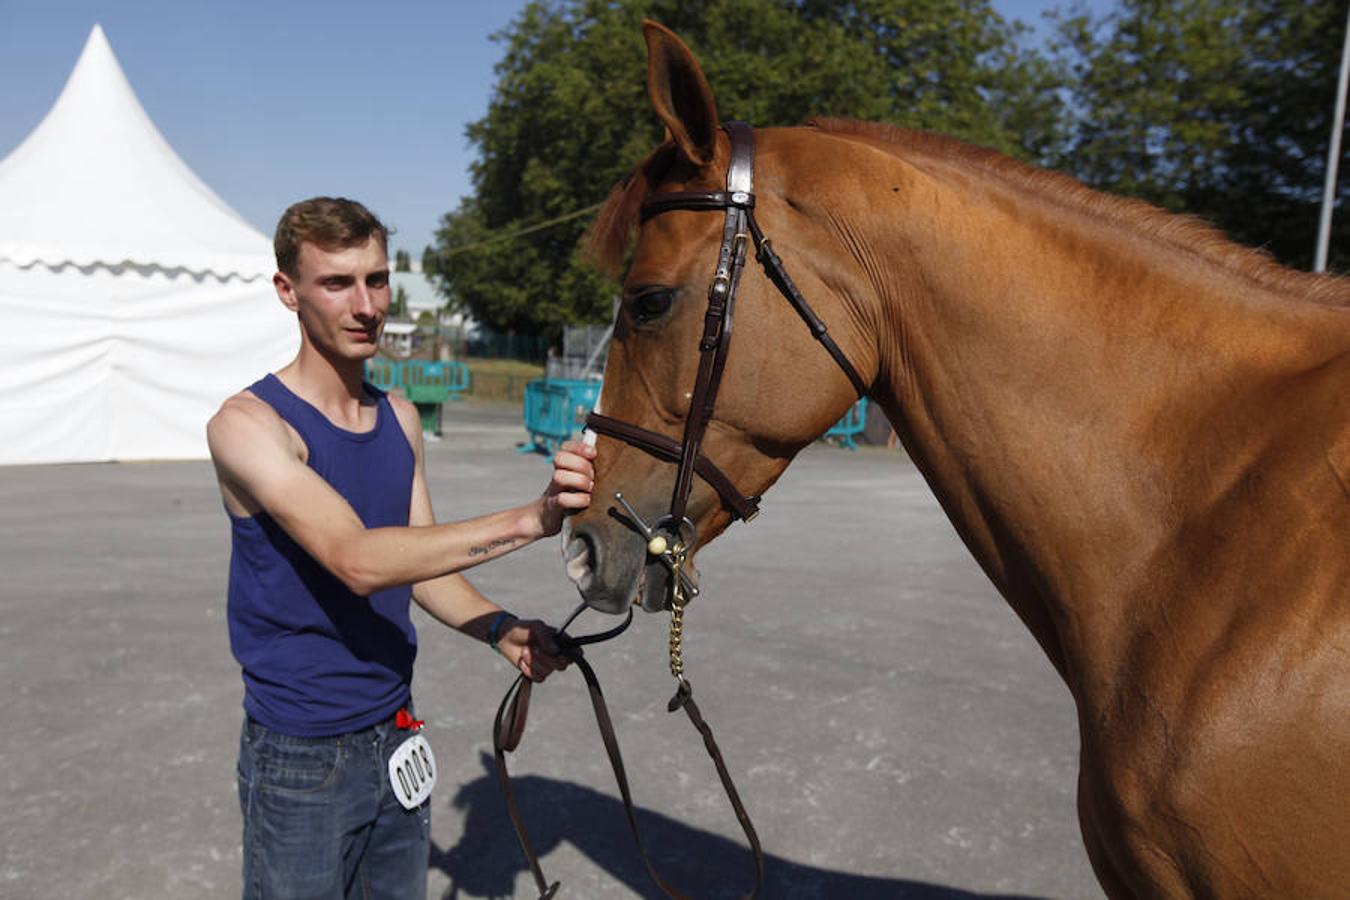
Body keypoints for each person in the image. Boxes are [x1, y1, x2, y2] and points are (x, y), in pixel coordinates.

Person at [206, 196, 595, 899]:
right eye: (337, 283)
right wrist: (532, 519)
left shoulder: (399, 417)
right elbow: (358, 560)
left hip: (396, 732)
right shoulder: (248, 425)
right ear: (287, 292)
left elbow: (419, 568)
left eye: (377, 280)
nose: (366, 305)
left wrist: (502, 630)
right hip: (301, 756)